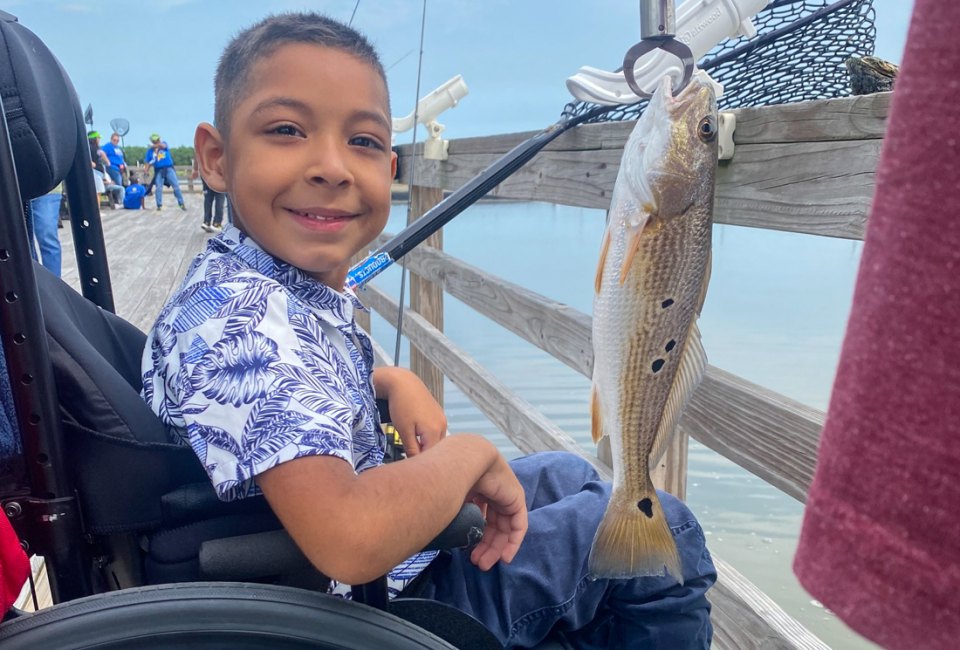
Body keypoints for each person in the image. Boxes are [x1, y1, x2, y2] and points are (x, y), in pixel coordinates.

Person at [140, 13, 715, 649]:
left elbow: (294, 376)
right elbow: (348, 537)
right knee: (672, 535)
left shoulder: (253, 287)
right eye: (286, 130)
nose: (332, 166)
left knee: (568, 477)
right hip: (365, 610)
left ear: (389, 168)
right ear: (217, 158)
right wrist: (468, 455)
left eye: (361, 142)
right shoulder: (240, 322)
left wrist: (389, 380)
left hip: (375, 565)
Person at [26, 186, 63, 276]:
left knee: (47, 238)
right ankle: (33, 282)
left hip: (47, 188)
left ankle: (54, 285)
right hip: (16, 188)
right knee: (24, 242)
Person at [144, 133, 185, 211]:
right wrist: (146, 170)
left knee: (175, 186)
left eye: (157, 140)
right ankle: (159, 205)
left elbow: (163, 146)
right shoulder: (150, 151)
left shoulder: (164, 145)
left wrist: (154, 146)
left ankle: (181, 203)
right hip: (158, 170)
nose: (156, 142)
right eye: (154, 141)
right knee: (158, 187)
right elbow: (148, 161)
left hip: (168, 168)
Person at [191, 154, 225, 232]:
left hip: (205, 172)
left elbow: (197, 153)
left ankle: (206, 222)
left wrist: (195, 169)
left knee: (208, 198)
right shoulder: (221, 141)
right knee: (219, 197)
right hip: (218, 171)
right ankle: (217, 223)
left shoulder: (202, 142)